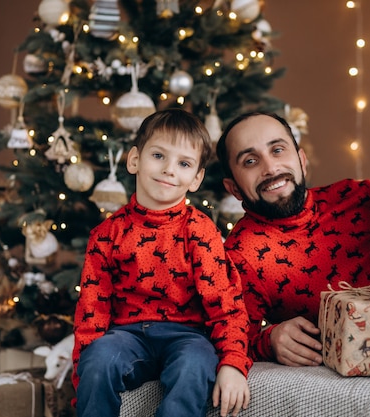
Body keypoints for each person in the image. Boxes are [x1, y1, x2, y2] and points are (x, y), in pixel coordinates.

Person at [72, 109, 252, 417]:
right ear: (134, 161)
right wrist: (85, 371)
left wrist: (234, 361)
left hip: (187, 336)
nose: (169, 170)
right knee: (99, 358)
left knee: (195, 362)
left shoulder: (199, 230)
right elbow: (92, 309)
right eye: (158, 155)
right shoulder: (106, 234)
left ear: (196, 178)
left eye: (183, 163)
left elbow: (225, 302)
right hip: (126, 336)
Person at [216, 111, 370, 367]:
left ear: (301, 160)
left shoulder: (359, 197)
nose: (270, 168)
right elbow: (232, 340)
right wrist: (270, 339)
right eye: (251, 161)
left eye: (277, 150)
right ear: (233, 188)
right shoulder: (241, 255)